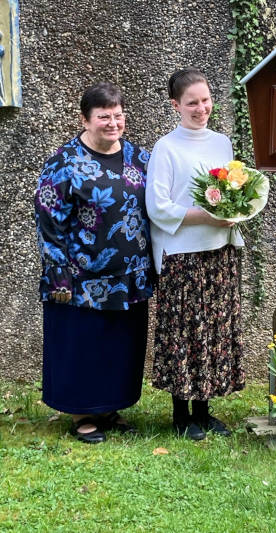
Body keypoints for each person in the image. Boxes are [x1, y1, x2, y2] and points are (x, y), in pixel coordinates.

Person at [34, 82, 154, 443]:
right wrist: (58, 271)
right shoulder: (64, 162)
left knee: (120, 345)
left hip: (129, 276)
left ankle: (110, 408)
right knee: (83, 344)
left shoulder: (139, 158)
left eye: (118, 115)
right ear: (85, 119)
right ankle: (83, 414)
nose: (113, 123)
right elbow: (48, 219)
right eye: (104, 116)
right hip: (81, 276)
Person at [145, 68, 245, 440]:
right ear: (176, 106)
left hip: (218, 252)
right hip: (182, 257)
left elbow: (233, 190)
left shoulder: (222, 143)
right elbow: (158, 207)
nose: (201, 108)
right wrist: (205, 215)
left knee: (212, 333)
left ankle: (203, 412)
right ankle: (179, 415)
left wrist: (235, 210)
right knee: (184, 334)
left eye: (205, 100)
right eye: (192, 103)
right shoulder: (166, 148)